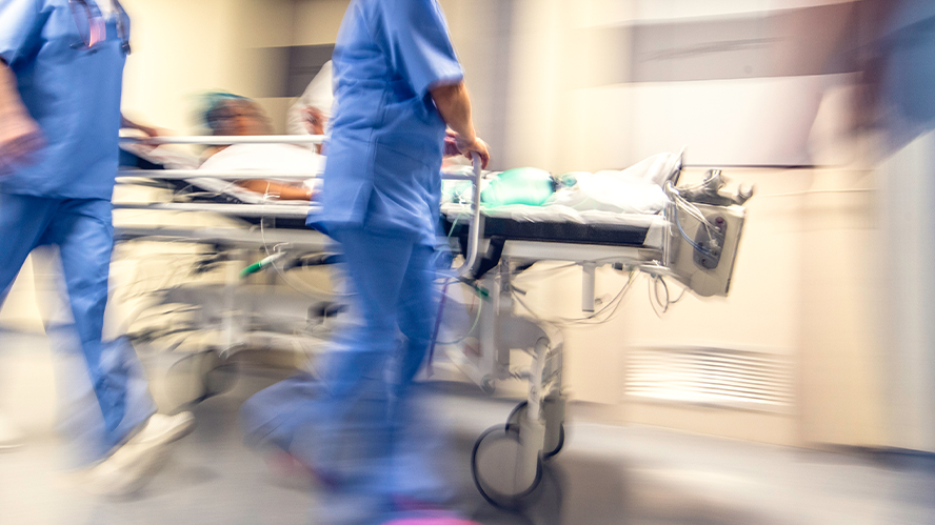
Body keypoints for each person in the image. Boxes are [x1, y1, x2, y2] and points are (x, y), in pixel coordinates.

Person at [241, 1, 490, 524]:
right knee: (378, 334)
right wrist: (467, 133)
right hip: (375, 188)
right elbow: (447, 87)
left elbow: (395, 93)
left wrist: (432, 133)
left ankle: (372, 464)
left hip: (408, 190)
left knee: (423, 328)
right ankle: (367, 490)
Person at [0, 0, 194, 495]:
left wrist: (133, 127)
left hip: (87, 188)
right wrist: (7, 116)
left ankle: (125, 432)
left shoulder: (119, 15)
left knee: (91, 306)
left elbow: (87, 92)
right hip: (18, 178)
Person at [201, 93, 320, 201]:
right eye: (231, 116)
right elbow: (252, 186)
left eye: (249, 114)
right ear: (216, 128)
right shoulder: (223, 159)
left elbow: (316, 162)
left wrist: (319, 136)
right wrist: (308, 195)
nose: (239, 120)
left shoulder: (272, 146)